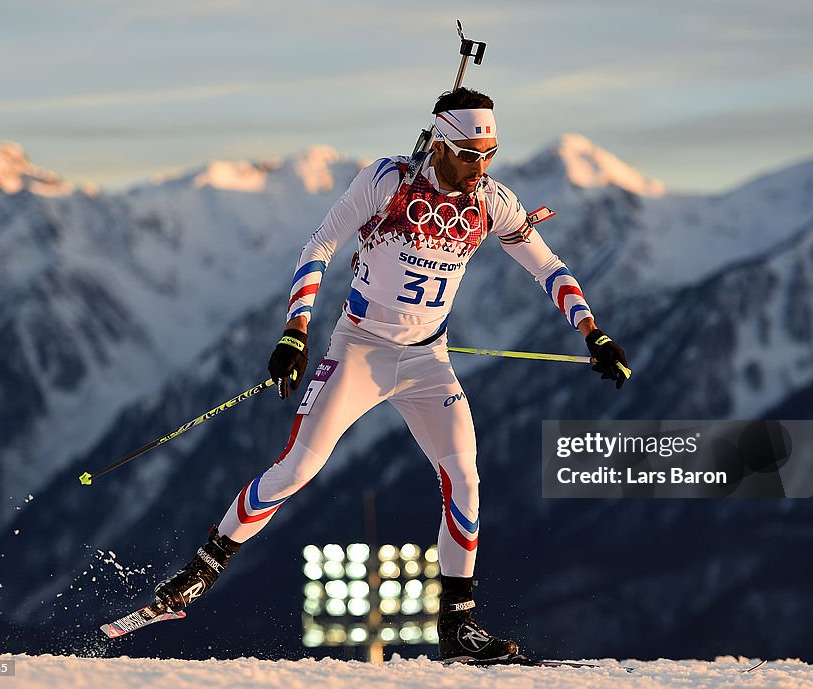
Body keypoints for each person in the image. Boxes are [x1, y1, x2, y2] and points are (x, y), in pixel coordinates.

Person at [152, 87, 629, 663]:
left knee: (466, 480)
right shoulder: (386, 181)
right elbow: (320, 244)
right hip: (360, 350)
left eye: (491, 152)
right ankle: (200, 570)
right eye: (471, 153)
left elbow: (548, 267)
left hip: (429, 360)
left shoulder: (492, 202)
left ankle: (456, 625)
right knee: (298, 468)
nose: (482, 166)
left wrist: (592, 333)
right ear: (442, 144)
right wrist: (295, 330)